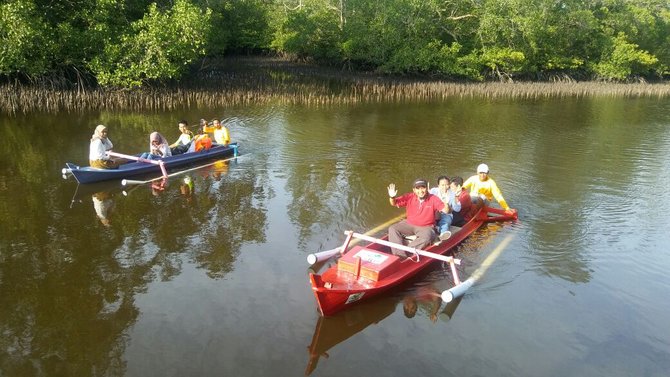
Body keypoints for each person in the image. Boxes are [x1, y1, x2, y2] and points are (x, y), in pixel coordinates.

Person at [387, 178, 446, 257]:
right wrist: (392, 197)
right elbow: (394, 203)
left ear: (427, 188)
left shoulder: (433, 198)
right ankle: (399, 255)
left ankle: (407, 252)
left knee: (427, 237)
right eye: (417, 188)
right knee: (392, 229)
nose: (420, 191)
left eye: (423, 188)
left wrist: (447, 206)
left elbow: (445, 210)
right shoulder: (409, 197)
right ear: (414, 190)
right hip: (409, 224)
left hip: (426, 227)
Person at [428, 175, 461, 241]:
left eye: (446, 185)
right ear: (438, 185)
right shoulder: (433, 191)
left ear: (449, 185)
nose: (444, 187)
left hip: (446, 214)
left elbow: (457, 209)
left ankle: (443, 234)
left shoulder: (452, 193)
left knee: (445, 222)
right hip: (434, 213)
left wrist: (456, 197)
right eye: (442, 185)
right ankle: (433, 229)